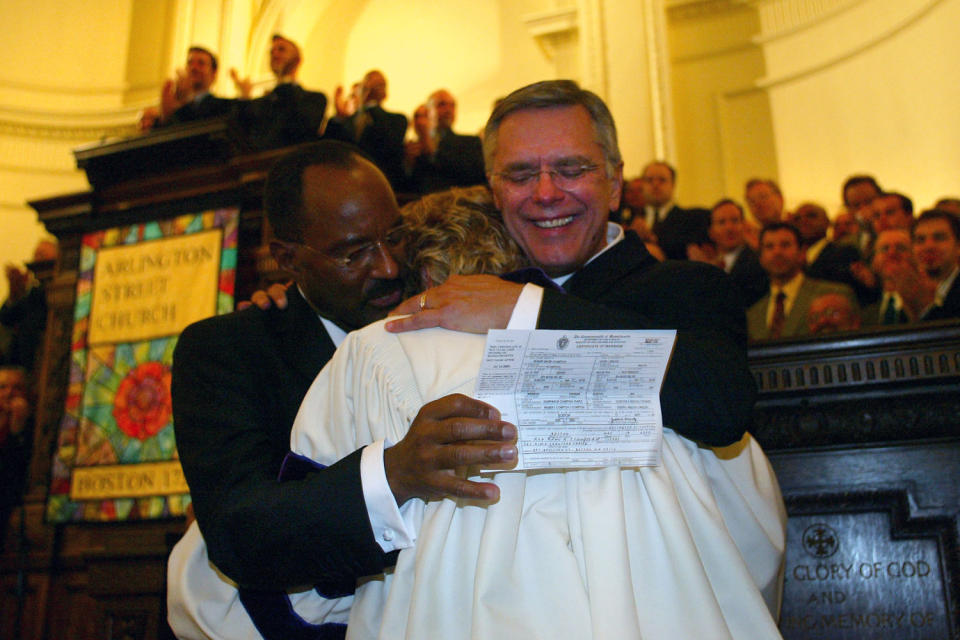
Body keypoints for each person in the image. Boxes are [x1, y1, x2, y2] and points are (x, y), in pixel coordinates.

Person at [747, 223, 858, 340]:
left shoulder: (834, 294)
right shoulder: (754, 314)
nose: (777, 252)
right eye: (769, 247)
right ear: (760, 257)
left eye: (785, 245)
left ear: (802, 252)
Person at [234, 35, 328, 150]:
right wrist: (245, 97)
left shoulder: (314, 99)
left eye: (281, 50)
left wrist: (286, 84)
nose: (275, 54)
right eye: (272, 52)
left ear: (297, 60)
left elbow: (302, 130)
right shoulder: (262, 102)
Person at [332, 70, 408, 191]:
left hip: (382, 183)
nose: (371, 90)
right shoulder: (347, 121)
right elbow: (333, 145)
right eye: (366, 87)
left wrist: (369, 104)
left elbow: (389, 144)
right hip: (347, 182)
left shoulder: (398, 120)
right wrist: (339, 116)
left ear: (385, 93)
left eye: (379, 85)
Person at [405, 90, 486, 193]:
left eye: (452, 105)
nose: (448, 110)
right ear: (427, 111)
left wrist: (434, 152)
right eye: (441, 104)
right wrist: (408, 163)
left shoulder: (471, 142)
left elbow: (474, 175)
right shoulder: (415, 146)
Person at [637, 161, 709, 260]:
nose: (655, 185)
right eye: (649, 180)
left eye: (662, 180)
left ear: (673, 184)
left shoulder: (692, 220)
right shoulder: (631, 220)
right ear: (642, 185)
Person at [152, 47, 234, 128]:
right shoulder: (170, 108)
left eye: (201, 63)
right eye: (189, 63)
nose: (193, 68)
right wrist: (165, 117)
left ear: (214, 74)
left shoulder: (223, 108)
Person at [708, 198, 768, 307]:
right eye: (722, 222)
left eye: (735, 221)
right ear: (711, 232)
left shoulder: (757, 262)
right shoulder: (710, 266)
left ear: (744, 226)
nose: (729, 228)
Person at [912, 209, 960, 320]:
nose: (928, 247)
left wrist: (926, 308)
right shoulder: (909, 292)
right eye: (920, 240)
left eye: (939, 238)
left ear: (958, 246)